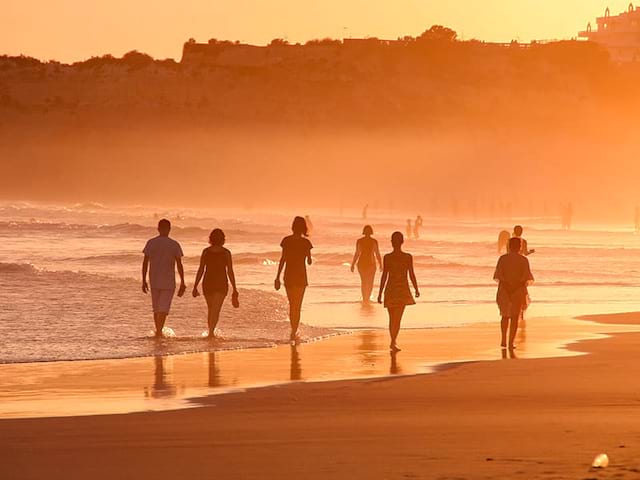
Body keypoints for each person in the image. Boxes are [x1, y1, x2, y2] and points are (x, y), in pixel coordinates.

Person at [142, 219, 186, 337]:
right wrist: (182, 281)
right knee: (163, 309)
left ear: (158, 228)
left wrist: (143, 280)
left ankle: (158, 331)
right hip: (168, 281)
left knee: (156, 308)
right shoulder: (174, 244)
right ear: (169, 229)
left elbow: (145, 262)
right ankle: (159, 332)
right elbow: (179, 264)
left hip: (154, 279)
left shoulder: (151, 242)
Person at [192, 228, 239, 338]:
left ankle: (211, 332)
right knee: (215, 309)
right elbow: (230, 271)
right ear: (223, 239)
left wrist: (195, 286)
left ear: (211, 239)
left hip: (208, 282)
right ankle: (211, 333)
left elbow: (201, 270)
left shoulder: (206, 252)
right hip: (220, 283)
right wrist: (234, 288)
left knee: (212, 309)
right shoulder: (226, 253)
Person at [377, 232, 420, 352]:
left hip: (390, 290)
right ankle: (393, 341)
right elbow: (411, 274)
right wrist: (416, 288)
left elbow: (384, 276)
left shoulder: (387, 257)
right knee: (398, 318)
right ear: (402, 242)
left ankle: (393, 341)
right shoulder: (407, 257)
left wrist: (380, 293)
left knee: (392, 318)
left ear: (391, 242)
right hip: (402, 290)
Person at [275, 216, 313, 343]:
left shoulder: (286, 241)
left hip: (289, 276)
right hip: (301, 277)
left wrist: (277, 277)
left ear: (293, 226)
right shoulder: (306, 243)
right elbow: (309, 261)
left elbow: (283, 259)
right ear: (304, 228)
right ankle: (294, 330)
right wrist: (307, 255)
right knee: (298, 305)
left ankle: (293, 329)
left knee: (292, 305)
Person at [493, 237, 534, 350]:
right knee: (515, 317)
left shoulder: (502, 259)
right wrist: (515, 287)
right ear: (520, 247)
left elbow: (498, 275)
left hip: (504, 290)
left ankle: (503, 340)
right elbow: (525, 276)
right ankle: (511, 342)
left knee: (504, 315)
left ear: (509, 246)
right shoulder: (523, 260)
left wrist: (507, 287)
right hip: (518, 290)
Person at [350, 225, 383, 303]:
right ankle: (367, 298)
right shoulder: (374, 241)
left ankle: (365, 298)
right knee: (370, 282)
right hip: (371, 264)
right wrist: (381, 264)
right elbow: (377, 253)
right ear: (371, 232)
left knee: (364, 282)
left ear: (364, 232)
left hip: (361, 264)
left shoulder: (359, 241)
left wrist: (353, 264)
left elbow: (357, 253)